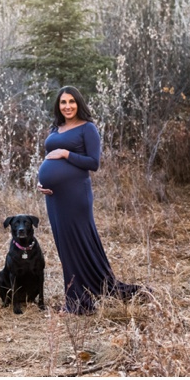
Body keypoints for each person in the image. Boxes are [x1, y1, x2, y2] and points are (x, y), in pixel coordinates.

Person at [37, 86, 142, 314]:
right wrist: (42, 182)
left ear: (79, 104)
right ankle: (75, 298)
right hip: (55, 199)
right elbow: (48, 158)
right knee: (65, 246)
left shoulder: (88, 129)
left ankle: (82, 300)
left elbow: (93, 163)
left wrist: (66, 154)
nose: (67, 106)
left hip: (76, 196)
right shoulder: (56, 128)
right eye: (63, 102)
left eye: (72, 102)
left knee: (80, 243)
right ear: (58, 106)